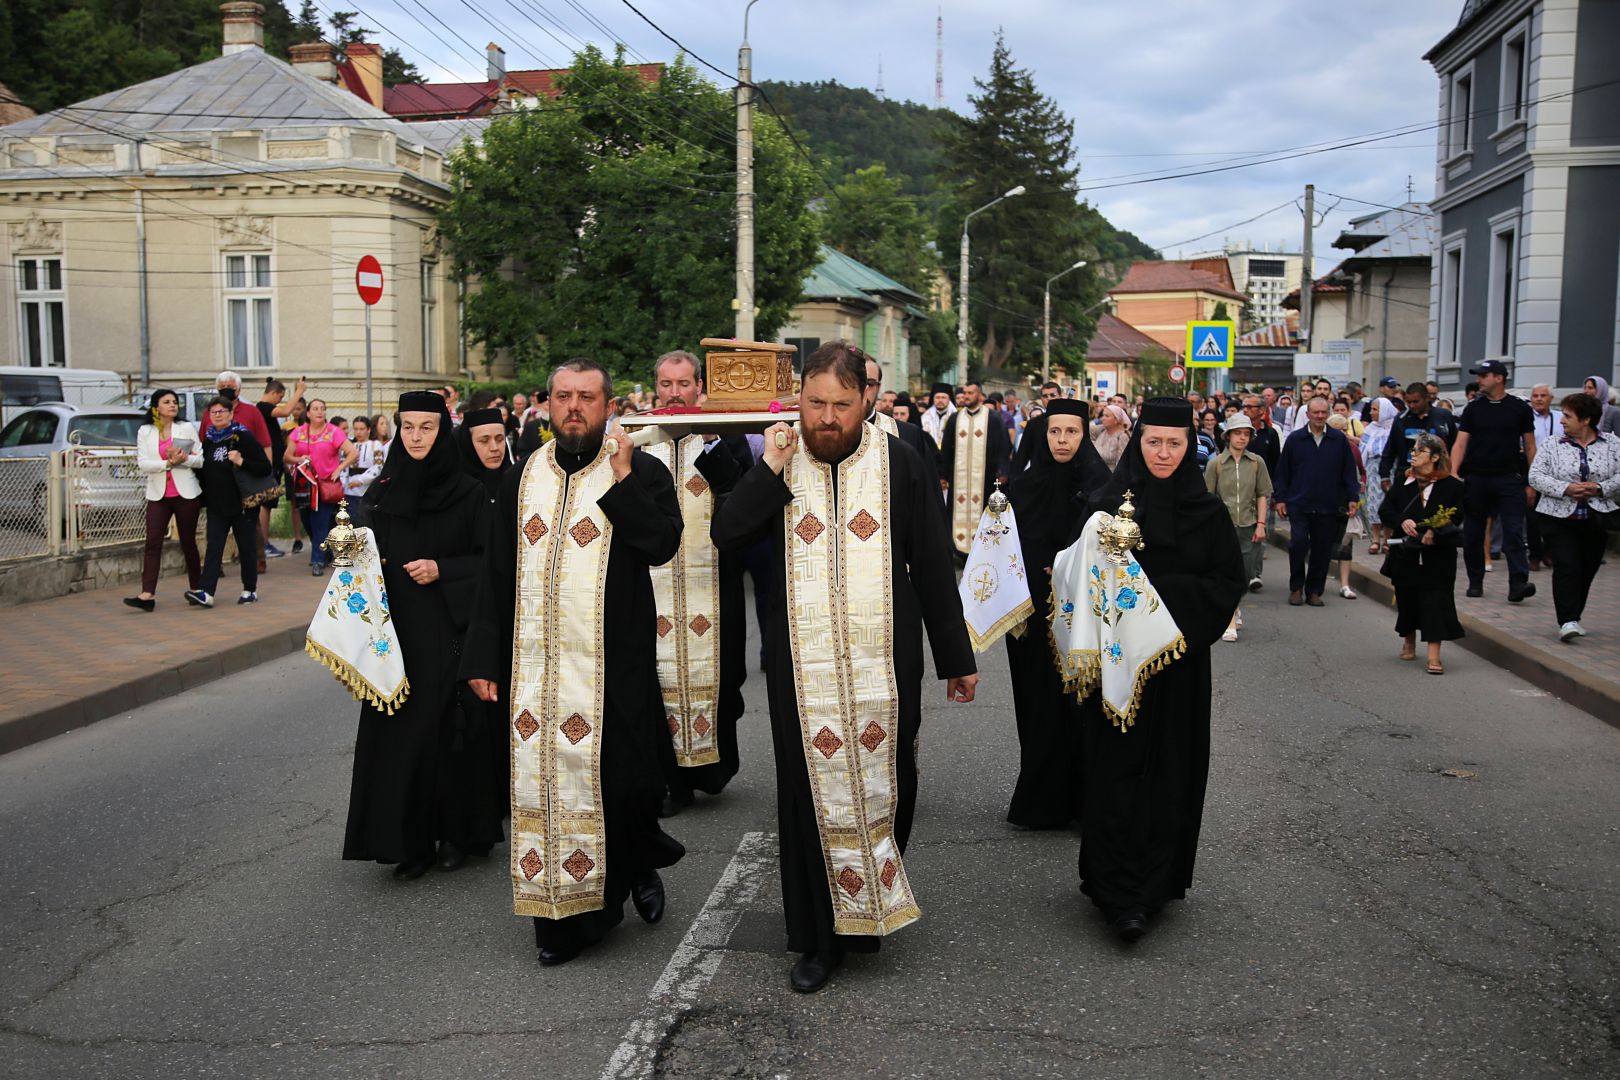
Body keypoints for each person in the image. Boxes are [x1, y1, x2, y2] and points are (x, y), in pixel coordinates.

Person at [710, 342, 976, 993]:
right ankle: (819, 938)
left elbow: (934, 563)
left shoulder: (900, 464)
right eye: (815, 403)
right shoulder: (779, 461)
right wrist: (769, 468)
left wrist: (955, 656)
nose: (826, 418)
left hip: (886, 663)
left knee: (892, 786)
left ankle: (867, 906)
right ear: (799, 399)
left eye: (840, 405)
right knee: (806, 799)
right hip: (799, 668)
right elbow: (727, 534)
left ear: (866, 402)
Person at [462, 359, 686, 967]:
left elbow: (663, 544)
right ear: (548, 404)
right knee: (547, 784)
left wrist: (620, 482)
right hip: (537, 669)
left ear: (608, 404)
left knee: (619, 783)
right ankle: (560, 921)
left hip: (616, 666)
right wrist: (483, 655)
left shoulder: (640, 468)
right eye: (564, 396)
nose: (574, 408)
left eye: (587, 397)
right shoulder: (524, 475)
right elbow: (496, 572)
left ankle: (622, 878)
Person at [1076, 398, 1245, 942]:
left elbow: (1225, 585)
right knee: (1115, 768)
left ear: (1188, 446)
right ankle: (1113, 888)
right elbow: (1082, 580)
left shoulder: (1209, 513)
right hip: (1119, 666)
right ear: (1138, 443)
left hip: (1179, 667)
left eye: (1174, 443)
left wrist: (1159, 603)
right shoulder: (1104, 509)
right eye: (1153, 442)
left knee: (1171, 770)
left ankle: (1152, 886)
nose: (1164, 453)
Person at [344, 392, 503, 881]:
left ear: (442, 431)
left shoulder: (468, 492)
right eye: (408, 427)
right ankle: (407, 841)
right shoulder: (382, 492)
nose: (416, 437)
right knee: (400, 735)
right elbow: (364, 560)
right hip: (396, 636)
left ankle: (455, 834)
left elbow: (490, 563)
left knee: (447, 734)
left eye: (426, 428)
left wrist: (444, 569)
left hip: (448, 630)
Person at [644, 350, 753, 816]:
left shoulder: (721, 437)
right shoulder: (641, 440)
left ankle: (707, 769)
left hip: (714, 583)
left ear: (699, 387)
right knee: (656, 681)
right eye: (666, 385)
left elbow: (742, 495)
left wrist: (712, 440)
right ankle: (670, 781)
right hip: (653, 588)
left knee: (720, 680)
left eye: (683, 384)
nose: (674, 394)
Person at [1004, 398, 1109, 828]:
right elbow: (1003, 551)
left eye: (1071, 432)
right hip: (1031, 615)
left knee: (1080, 707)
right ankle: (1040, 801)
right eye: (1054, 431)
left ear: (1084, 435)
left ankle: (1085, 801)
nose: (1062, 440)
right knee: (1036, 704)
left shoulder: (1104, 490)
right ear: (1042, 434)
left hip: (1081, 619)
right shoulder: (1021, 489)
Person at [1528, 393, 1620, 641]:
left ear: (1586, 420)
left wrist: (1600, 488)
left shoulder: (1612, 444)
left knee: (1587, 569)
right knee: (1566, 565)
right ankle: (1567, 620)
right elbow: (1535, 476)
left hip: (1596, 518)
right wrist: (1565, 488)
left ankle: (1574, 615)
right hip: (1558, 518)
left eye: (1568, 416)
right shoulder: (1552, 444)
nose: (1562, 421)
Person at [1379, 434, 1465, 674]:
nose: (1413, 455)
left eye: (1420, 451)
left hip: (1438, 555)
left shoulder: (1453, 485)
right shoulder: (1403, 481)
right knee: (1407, 597)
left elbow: (1457, 516)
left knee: (1436, 600)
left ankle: (1434, 656)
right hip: (1406, 552)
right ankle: (1408, 640)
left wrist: (1435, 531)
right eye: (1413, 451)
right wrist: (1402, 520)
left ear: (1435, 457)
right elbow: (1385, 510)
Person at [1452, 361, 1537, 602]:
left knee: (1513, 531)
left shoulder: (1519, 409)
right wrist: (1453, 474)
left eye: (1484, 375)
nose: (1479, 380)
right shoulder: (1473, 409)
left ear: (1499, 378)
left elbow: (1530, 447)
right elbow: (1460, 444)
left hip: (1509, 478)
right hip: (1477, 478)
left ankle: (1518, 583)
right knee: (1473, 533)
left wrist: (1532, 481)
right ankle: (1475, 581)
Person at [1273, 396, 1360, 607]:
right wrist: (1281, 498)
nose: (1320, 416)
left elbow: (1349, 471)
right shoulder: (1295, 439)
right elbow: (1283, 472)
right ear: (1308, 414)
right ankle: (1296, 588)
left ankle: (1314, 591)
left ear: (1328, 414)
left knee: (1322, 549)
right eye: (1316, 413)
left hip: (1328, 504)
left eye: (1323, 413)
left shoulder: (1338, 440)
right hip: (1299, 502)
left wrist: (1352, 497)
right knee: (1298, 544)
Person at [185, 397, 270, 607]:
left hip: (242, 505)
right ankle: (206, 592)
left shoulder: (242, 436)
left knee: (246, 548)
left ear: (231, 414)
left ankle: (249, 589)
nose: (218, 415)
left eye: (222, 411)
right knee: (214, 547)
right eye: (214, 412)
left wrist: (241, 461)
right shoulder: (209, 440)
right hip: (217, 505)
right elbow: (205, 471)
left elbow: (264, 467)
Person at [127, 389, 203, 611]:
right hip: (158, 494)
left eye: (174, 402)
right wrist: (167, 464)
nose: (172, 405)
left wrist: (184, 458)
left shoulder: (186, 428)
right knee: (152, 542)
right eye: (166, 402)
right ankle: (147, 594)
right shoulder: (146, 431)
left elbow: (200, 459)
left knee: (187, 541)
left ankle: (197, 589)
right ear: (156, 407)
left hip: (185, 493)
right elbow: (143, 463)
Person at [1204, 413, 1271, 633]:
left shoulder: (1256, 463)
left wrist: (1261, 524)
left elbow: (1262, 494)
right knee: (1226, 572)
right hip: (1224, 527)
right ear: (1228, 436)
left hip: (1249, 524)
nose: (1242, 438)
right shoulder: (1216, 463)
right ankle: (1229, 618)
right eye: (1237, 433)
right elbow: (1208, 497)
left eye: (1246, 434)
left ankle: (1235, 607)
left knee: (1245, 572)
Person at [285, 399, 358, 576]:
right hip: (304, 485)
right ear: (308, 413)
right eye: (316, 409)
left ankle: (317, 560)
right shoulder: (298, 432)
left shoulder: (334, 432)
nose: (320, 412)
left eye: (323, 409)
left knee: (320, 522)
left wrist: (339, 468)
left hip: (325, 485)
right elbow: (287, 456)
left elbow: (353, 453)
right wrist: (298, 459)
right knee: (306, 521)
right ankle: (324, 552)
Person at [940, 381, 1012, 557]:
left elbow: (1004, 447)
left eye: (971, 393)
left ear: (980, 395)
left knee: (985, 514)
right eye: (964, 392)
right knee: (955, 515)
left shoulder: (993, 418)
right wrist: (942, 474)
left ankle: (984, 552)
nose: (966, 396)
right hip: (959, 482)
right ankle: (959, 553)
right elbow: (946, 448)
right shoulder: (955, 419)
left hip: (985, 480)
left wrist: (1003, 472)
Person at [255, 376, 303, 564]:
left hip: (275, 463)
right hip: (269, 465)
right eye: (279, 397)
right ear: (273, 393)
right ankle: (264, 543)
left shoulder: (264, 410)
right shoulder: (264, 407)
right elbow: (285, 411)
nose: (280, 402)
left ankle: (264, 543)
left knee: (269, 503)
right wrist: (299, 391)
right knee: (265, 504)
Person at [1380, 383, 1459, 492]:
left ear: (1426, 398)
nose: (1412, 405)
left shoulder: (1443, 416)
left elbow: (1456, 446)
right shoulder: (1401, 419)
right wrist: (1385, 476)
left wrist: (1455, 472)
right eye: (1408, 402)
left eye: (1416, 402)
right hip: (1407, 474)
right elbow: (1390, 449)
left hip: (1438, 476)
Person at [1326, 412, 1365, 600]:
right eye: (1336, 430)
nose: (1341, 434)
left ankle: (1345, 584)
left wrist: (1355, 496)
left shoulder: (1352, 448)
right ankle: (1317, 581)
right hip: (1324, 502)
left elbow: (1360, 472)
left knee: (1346, 546)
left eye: (1344, 430)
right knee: (1322, 544)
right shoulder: (1322, 447)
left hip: (1344, 501)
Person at [1361, 397, 1399, 556]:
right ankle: (1375, 539)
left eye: (1375, 409)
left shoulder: (1394, 427)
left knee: (1389, 504)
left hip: (1390, 469)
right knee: (1373, 505)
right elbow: (1363, 449)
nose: (1372, 413)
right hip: (1372, 469)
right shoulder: (1370, 428)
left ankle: (1387, 539)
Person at [341, 415, 384, 517]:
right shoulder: (349, 445)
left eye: (361, 429)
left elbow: (378, 467)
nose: (358, 432)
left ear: (368, 429)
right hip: (350, 490)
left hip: (367, 490)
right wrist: (343, 485)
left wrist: (361, 480)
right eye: (356, 429)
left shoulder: (375, 445)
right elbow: (343, 466)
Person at [1092, 404, 1132, 472]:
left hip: (1110, 478)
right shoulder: (1101, 432)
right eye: (1103, 415)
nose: (1102, 418)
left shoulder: (1122, 437)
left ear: (1116, 420)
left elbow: (1122, 466)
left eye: (1107, 416)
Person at [920, 382, 955, 448]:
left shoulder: (955, 416)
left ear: (949, 399)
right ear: (933, 399)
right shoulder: (925, 417)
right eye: (937, 397)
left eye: (943, 397)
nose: (940, 400)